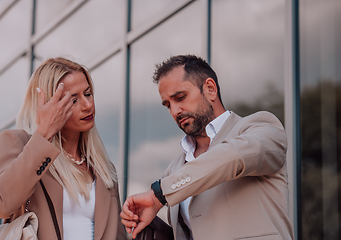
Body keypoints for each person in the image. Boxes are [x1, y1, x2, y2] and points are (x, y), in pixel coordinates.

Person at [120, 54, 294, 240]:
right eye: (167, 105)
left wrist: (159, 195)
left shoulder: (261, 128)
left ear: (210, 89)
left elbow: (233, 157)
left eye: (180, 97)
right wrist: (150, 229)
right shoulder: (173, 171)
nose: (174, 111)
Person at [0, 57, 126, 240]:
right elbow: (1, 204)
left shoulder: (104, 170)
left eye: (88, 93)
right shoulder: (18, 142)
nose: (88, 105)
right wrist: (44, 134)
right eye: (73, 100)